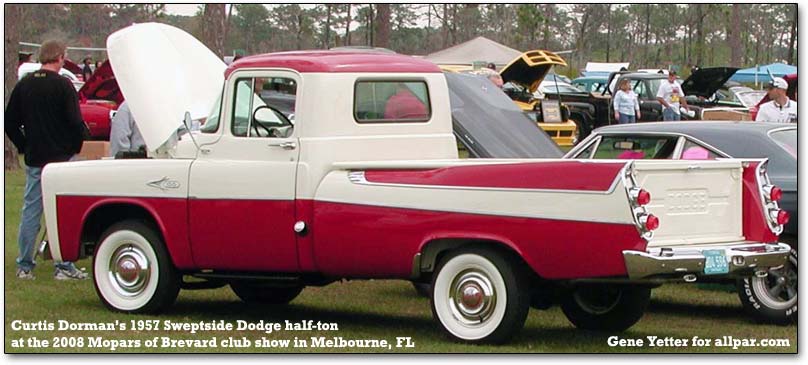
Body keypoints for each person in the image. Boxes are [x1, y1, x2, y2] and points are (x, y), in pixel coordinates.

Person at [4, 40, 89, 280]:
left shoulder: (25, 85)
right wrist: (76, 146)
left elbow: (9, 121)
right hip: (61, 159)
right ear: (60, 57)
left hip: (36, 157)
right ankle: (63, 266)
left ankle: (24, 264)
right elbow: (75, 122)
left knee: (31, 210)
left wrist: (24, 145)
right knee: (62, 211)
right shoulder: (63, 85)